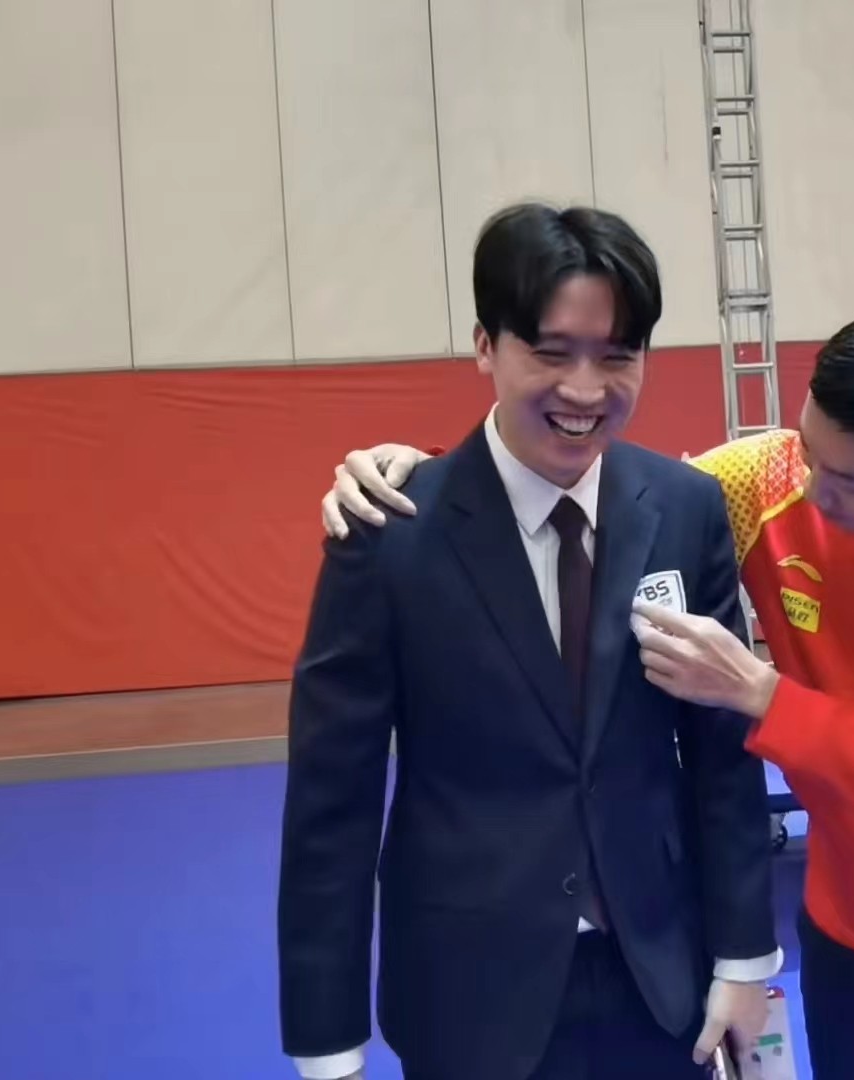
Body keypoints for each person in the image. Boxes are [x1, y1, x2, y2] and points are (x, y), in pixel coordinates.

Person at [318, 307, 854, 1079]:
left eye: (846, 480)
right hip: (852, 935)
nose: (811, 488)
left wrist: (761, 693)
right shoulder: (768, 476)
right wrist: (428, 478)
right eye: (807, 450)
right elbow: (603, 496)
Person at [275, 202, 779, 1080]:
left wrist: (743, 962)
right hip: (466, 989)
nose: (585, 390)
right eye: (551, 352)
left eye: (616, 356)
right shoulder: (390, 532)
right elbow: (332, 802)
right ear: (486, 346)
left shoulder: (684, 508)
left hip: (662, 978)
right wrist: (328, 1047)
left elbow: (722, 755)